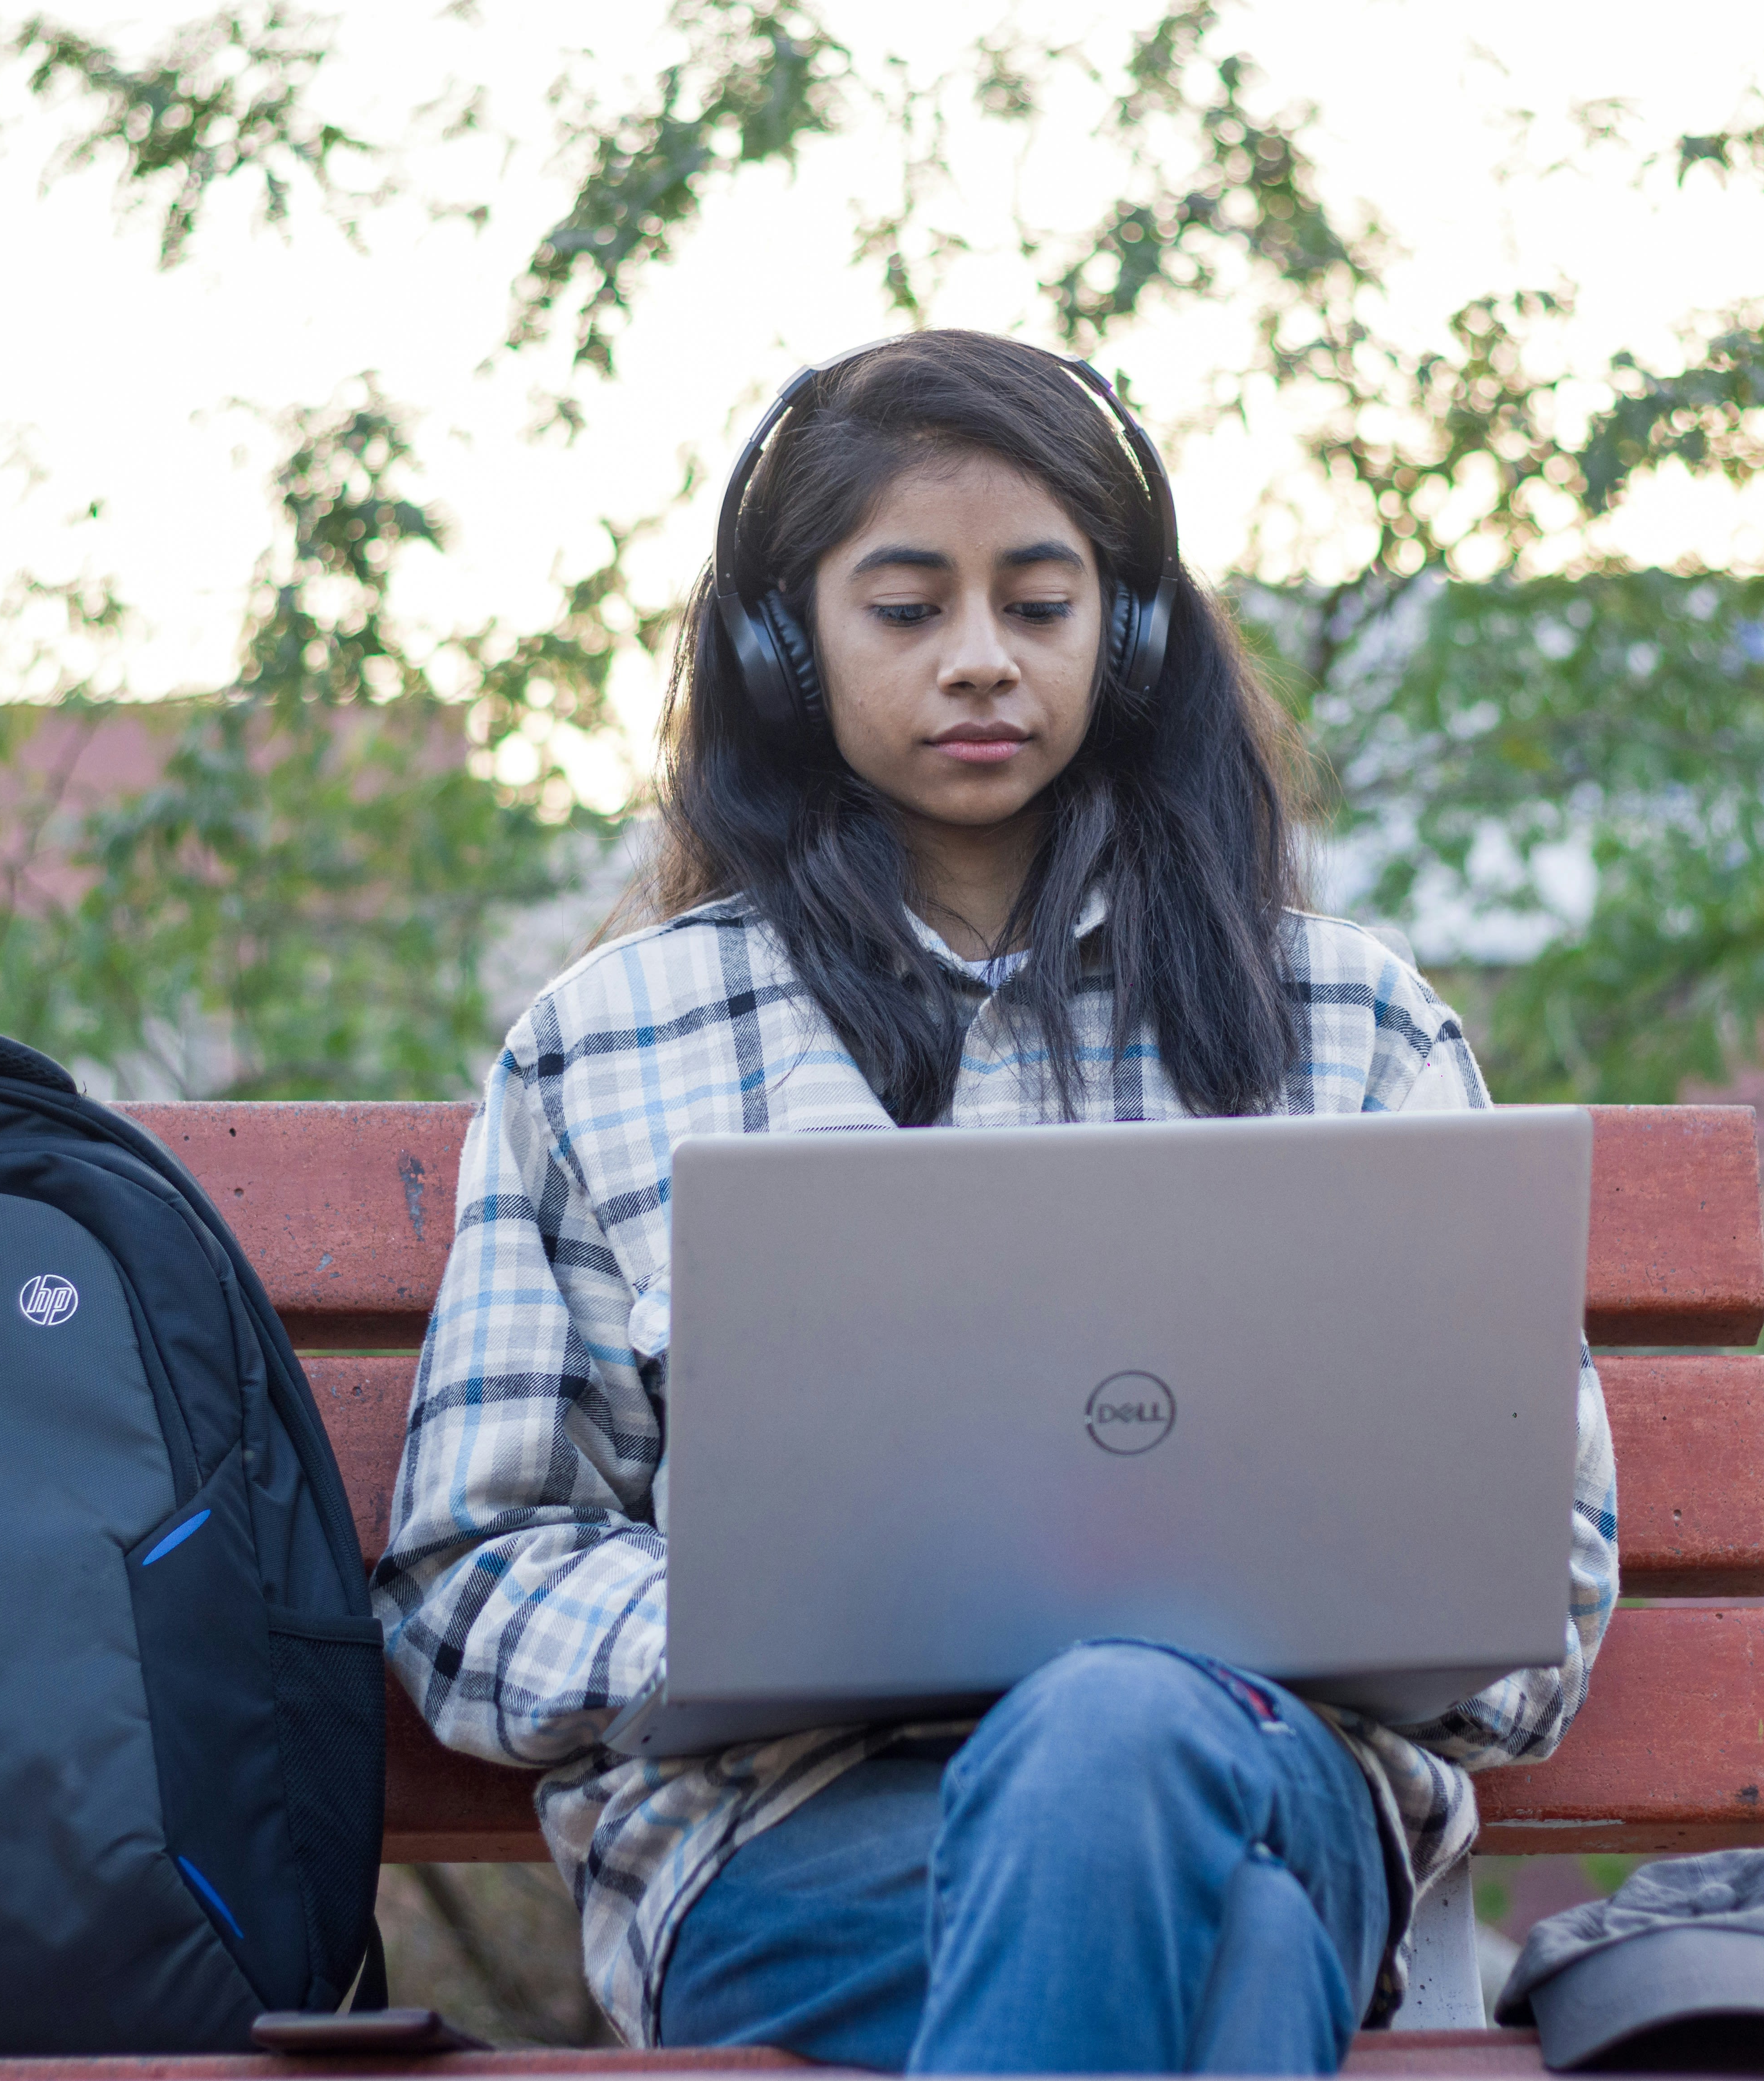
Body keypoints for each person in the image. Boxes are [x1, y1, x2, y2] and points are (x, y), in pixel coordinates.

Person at [373, 330, 1616, 2073]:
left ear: (1131, 632)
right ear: (782, 644)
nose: (980, 661)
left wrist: (1198, 1661)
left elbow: (1540, 1573)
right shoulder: (610, 1046)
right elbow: (466, 1573)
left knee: (1119, 1736)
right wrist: (753, 1628)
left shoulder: (1351, 1021)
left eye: (1040, 605)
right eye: (908, 608)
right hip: (799, 1846)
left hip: (1266, 1776)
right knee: (1234, 1958)